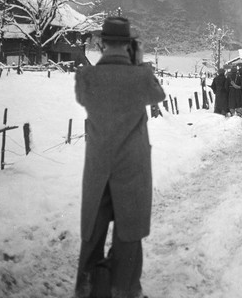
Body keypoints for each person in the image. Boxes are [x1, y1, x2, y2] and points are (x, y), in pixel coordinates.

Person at [74, 16, 166, 298]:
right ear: (129, 45)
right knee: (129, 232)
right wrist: (139, 63)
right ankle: (124, 290)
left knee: (93, 232)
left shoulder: (86, 77)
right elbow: (158, 95)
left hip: (98, 168)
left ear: (102, 43)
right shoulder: (140, 78)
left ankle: (86, 288)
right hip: (132, 167)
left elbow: (83, 98)